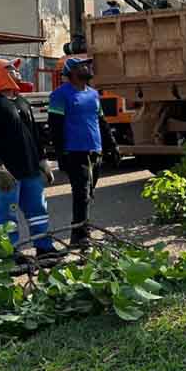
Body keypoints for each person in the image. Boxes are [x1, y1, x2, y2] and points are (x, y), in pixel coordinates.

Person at [0, 59, 63, 259]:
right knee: (7, 215)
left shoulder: (22, 101)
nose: (17, 71)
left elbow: (34, 133)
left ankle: (44, 248)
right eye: (11, 68)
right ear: (0, 73)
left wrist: (43, 161)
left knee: (38, 210)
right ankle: (10, 254)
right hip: (8, 173)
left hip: (30, 169)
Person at [49, 57, 119, 248]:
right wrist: (61, 154)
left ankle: (80, 234)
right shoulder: (60, 95)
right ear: (71, 72)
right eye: (83, 66)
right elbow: (55, 126)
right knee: (81, 194)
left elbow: (102, 121)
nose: (88, 67)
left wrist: (112, 146)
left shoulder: (93, 94)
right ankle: (81, 236)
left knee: (89, 193)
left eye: (88, 65)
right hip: (74, 152)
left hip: (95, 150)